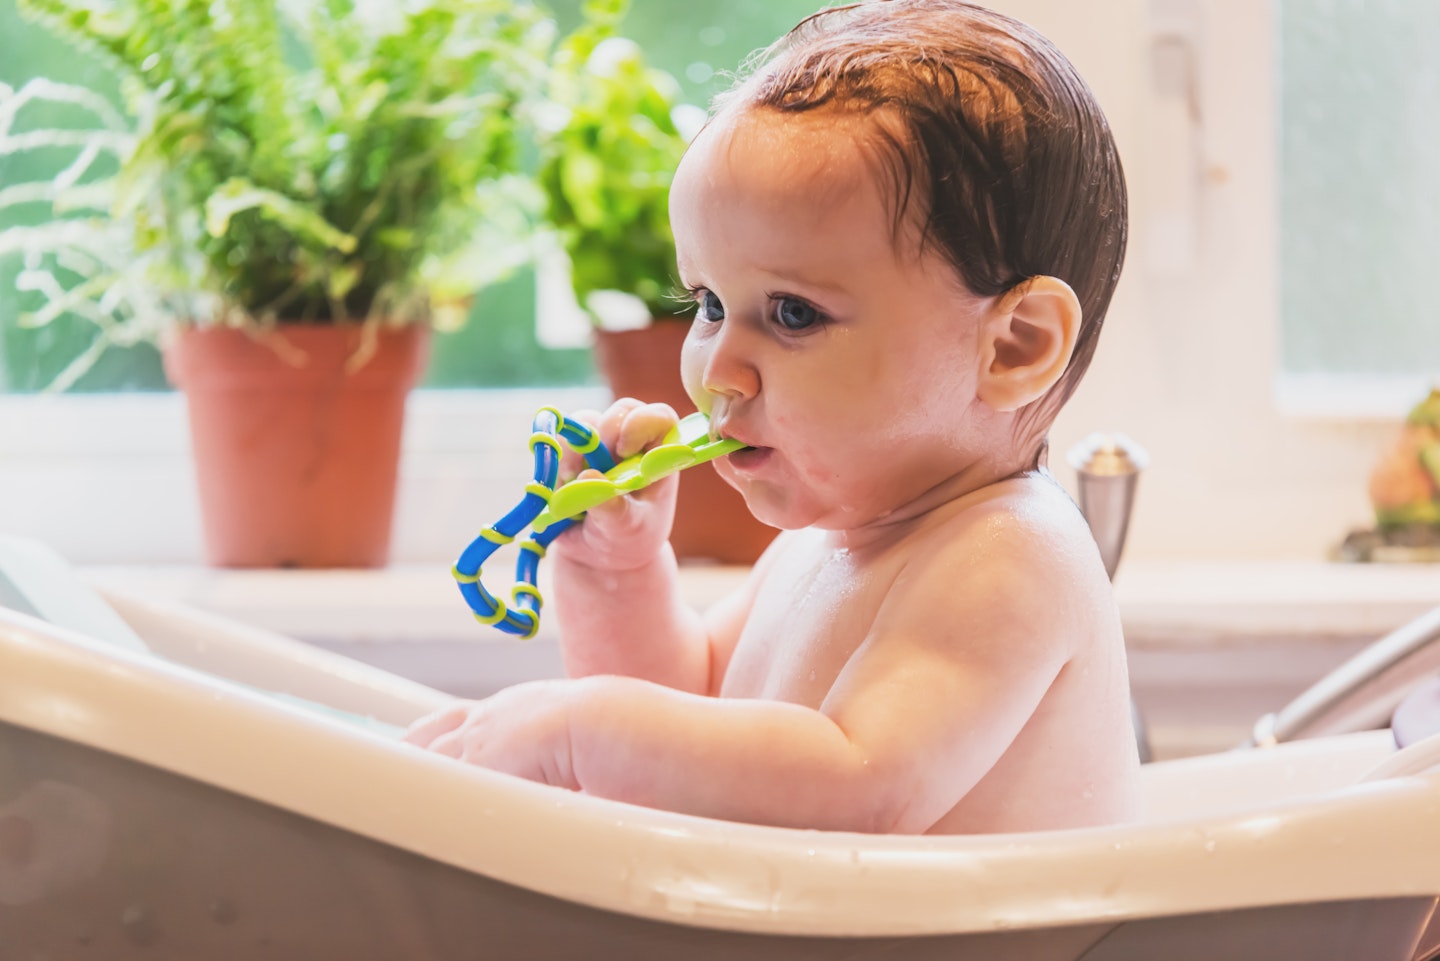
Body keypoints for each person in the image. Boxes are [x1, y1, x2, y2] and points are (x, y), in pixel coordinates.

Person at [406, 0, 1140, 835]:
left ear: (1013, 346)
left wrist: (580, 734)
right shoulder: (826, 546)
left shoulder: (1009, 556)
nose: (716, 368)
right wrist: (618, 575)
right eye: (710, 302)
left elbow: (862, 782)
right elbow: (691, 719)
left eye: (793, 314)